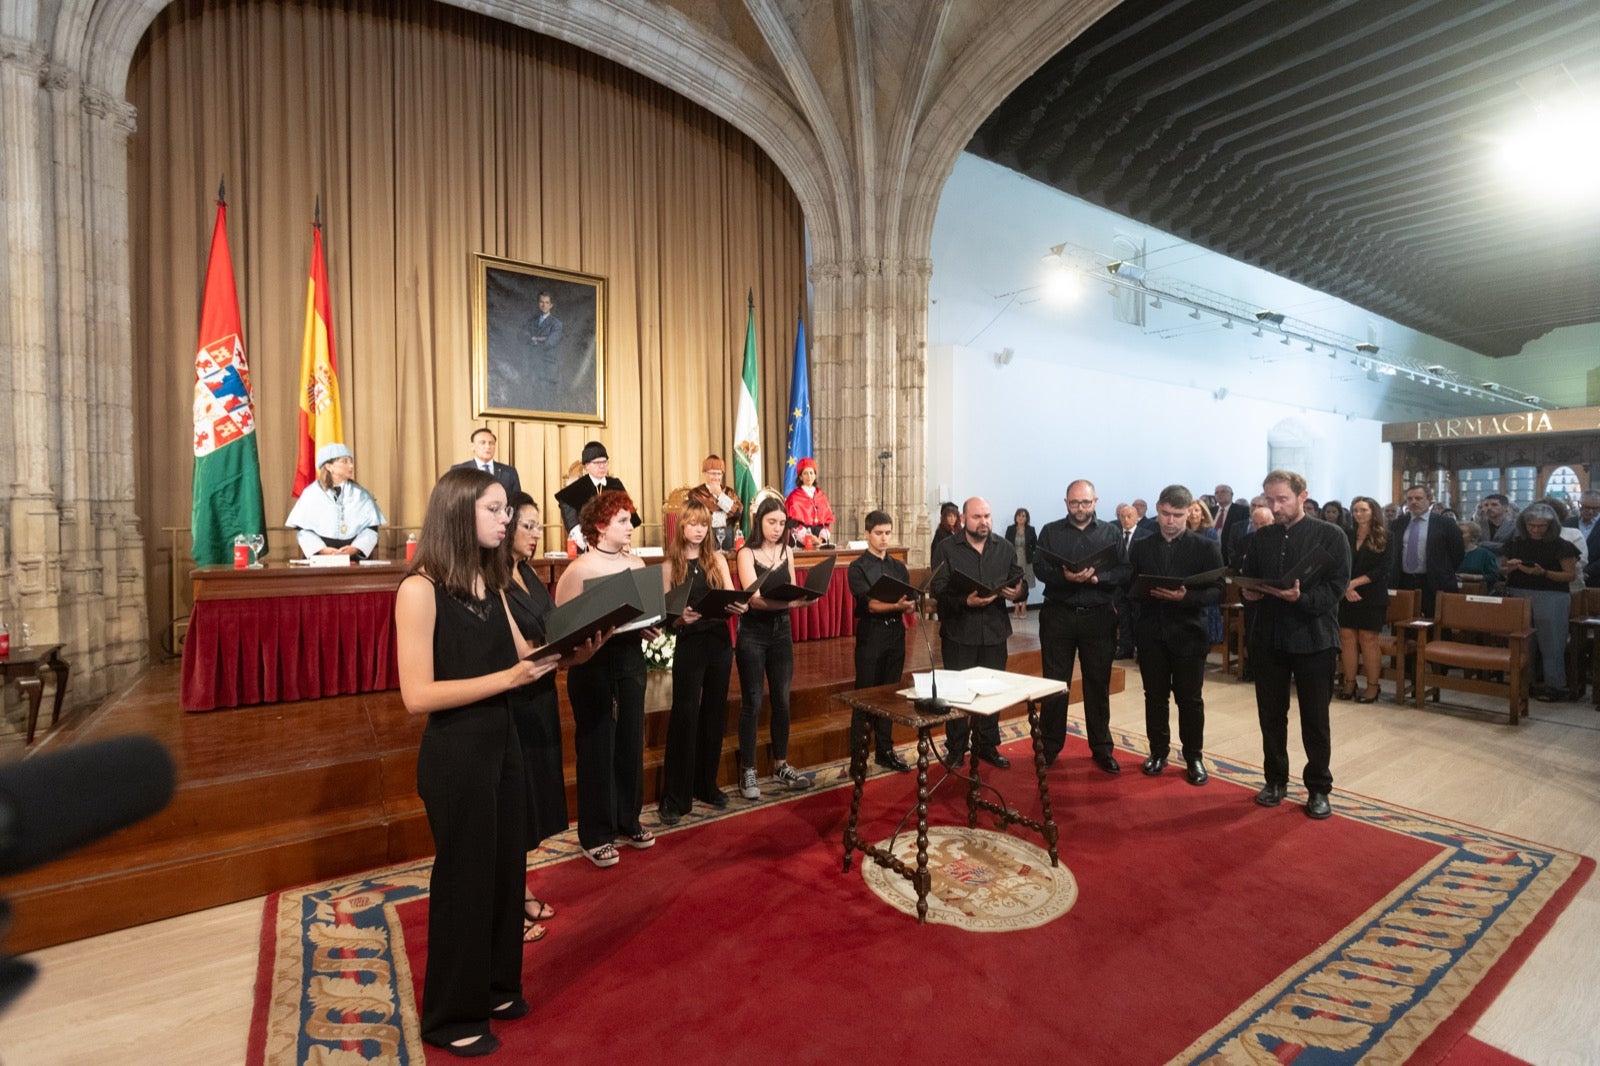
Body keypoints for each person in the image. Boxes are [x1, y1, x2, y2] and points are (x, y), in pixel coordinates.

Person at [394, 468, 561, 1056]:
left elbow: (526, 655)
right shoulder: (420, 589)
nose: (506, 520)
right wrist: (511, 678)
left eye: (505, 511)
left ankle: (494, 988)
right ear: (459, 512)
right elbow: (417, 696)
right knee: (465, 882)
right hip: (457, 752)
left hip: (503, 741)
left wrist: (582, 645)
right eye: (494, 510)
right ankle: (449, 1015)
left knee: (503, 874)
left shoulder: (489, 579)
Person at [1239, 469, 1350, 820]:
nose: (1275, 507)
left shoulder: (1331, 536)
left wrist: (1299, 598)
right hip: (1269, 636)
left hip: (1314, 637)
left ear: (1303, 496)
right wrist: (1248, 593)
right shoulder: (1262, 537)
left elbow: (1336, 588)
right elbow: (1250, 580)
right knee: (1271, 715)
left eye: (1282, 499)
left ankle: (1318, 788)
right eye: (1269, 500)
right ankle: (1275, 780)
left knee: (1314, 718)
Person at [500, 492, 586, 943]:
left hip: (541, 699)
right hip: (513, 703)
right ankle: (507, 903)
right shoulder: (491, 578)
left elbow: (553, 630)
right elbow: (519, 653)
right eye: (528, 526)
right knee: (514, 809)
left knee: (532, 804)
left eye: (537, 527)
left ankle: (522, 888)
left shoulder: (530, 575)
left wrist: (583, 643)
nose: (535, 534)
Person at [554, 490, 656, 867]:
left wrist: (647, 626)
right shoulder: (579, 570)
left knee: (630, 742)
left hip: (630, 661)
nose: (631, 527)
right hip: (592, 665)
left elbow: (643, 614)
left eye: (629, 519)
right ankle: (595, 833)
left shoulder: (638, 564)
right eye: (623, 520)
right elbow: (560, 628)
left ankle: (628, 820)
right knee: (597, 747)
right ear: (600, 526)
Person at [1129, 485, 1225, 785]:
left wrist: (1185, 597)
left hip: (1188, 633)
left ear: (1189, 513)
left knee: (1190, 699)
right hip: (1151, 632)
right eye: (1165, 514)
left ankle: (1194, 756)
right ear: (1157, 509)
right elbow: (1130, 585)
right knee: (1154, 697)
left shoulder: (1205, 547)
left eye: (1178, 515)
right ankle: (1158, 752)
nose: (1170, 521)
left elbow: (1218, 590)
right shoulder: (1142, 545)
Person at [657, 498, 745, 824]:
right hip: (690, 645)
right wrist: (680, 620)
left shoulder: (717, 559)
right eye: (692, 523)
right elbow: (667, 618)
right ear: (681, 526)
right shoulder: (670, 566)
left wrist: (739, 606)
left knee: (714, 714)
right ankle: (675, 796)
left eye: (703, 524)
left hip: (720, 643)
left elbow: (730, 593)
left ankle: (706, 784)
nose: (698, 529)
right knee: (684, 717)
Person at [1033, 480, 1126, 772]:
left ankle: (1101, 747)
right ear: (1066, 503)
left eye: (1085, 503)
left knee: (1097, 682)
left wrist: (1099, 579)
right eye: (1074, 503)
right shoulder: (1051, 531)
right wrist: (1066, 578)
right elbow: (1040, 567)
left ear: (1095, 501)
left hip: (1098, 615)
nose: (1080, 509)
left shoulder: (1111, 533)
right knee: (1054, 683)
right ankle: (1050, 746)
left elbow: (1124, 569)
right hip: (1058, 614)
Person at [930, 497, 1025, 768]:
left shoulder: (1004, 547)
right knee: (959, 694)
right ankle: (957, 749)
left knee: (991, 693)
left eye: (987, 516)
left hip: (994, 632)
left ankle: (987, 746)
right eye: (977, 517)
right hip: (960, 631)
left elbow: (1019, 579)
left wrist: (1019, 592)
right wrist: (964, 601)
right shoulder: (947, 548)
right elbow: (938, 588)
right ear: (963, 518)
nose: (984, 522)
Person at [735, 496, 819, 798]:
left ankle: (780, 763)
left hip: (781, 632)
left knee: (782, 700)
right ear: (759, 521)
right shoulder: (746, 552)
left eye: (782, 523)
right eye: (772, 522)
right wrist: (793, 602)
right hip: (753, 634)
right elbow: (754, 598)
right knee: (753, 702)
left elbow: (792, 587)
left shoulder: (786, 550)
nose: (777, 528)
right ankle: (748, 769)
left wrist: (803, 598)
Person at [847, 510, 916, 772]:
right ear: (867, 534)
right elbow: (872, 606)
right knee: (864, 696)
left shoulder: (898, 567)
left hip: (895, 634)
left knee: (889, 696)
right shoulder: (858, 567)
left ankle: (885, 751)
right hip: (871, 635)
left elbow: (907, 601)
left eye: (888, 533)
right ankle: (858, 757)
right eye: (878, 533)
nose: (884, 538)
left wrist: (908, 606)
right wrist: (897, 605)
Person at [1500, 503, 1579, 702]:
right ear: (1523, 524)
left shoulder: (1563, 546)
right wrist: (1509, 567)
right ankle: (1525, 683)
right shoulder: (1515, 543)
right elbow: (1501, 570)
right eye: (1531, 525)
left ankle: (1554, 686)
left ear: (1551, 525)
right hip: (1518, 592)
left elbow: (1569, 576)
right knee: (1523, 642)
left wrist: (1543, 572)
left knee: (1551, 643)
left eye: (1541, 526)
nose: (1535, 530)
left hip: (1552, 596)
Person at [285, 443, 385, 559]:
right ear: (328, 466)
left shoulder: (361, 494)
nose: (351, 466)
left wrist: (355, 548)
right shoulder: (311, 494)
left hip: (353, 558)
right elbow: (303, 531)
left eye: (351, 461)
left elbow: (371, 529)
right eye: (345, 461)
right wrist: (321, 549)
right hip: (318, 559)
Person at [1337, 496, 1389, 703]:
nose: (1359, 514)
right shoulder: (1345, 534)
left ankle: (1373, 686)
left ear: (1373, 512)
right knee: (1347, 638)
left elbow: (1384, 568)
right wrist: (1346, 586)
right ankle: (1349, 682)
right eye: (1355, 510)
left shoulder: (1386, 536)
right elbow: (1338, 563)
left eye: (1363, 510)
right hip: (1346, 593)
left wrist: (1354, 583)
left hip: (1372, 594)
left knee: (1368, 640)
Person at [1390, 483, 1464, 619]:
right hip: (1404, 581)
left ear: (1429, 500)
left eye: (1418, 498)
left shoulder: (1445, 524)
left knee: (1435, 623)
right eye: (1409, 499)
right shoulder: (1398, 524)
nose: (1413, 502)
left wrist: (1442, 570)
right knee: (1403, 623)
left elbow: (1457, 553)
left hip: (1434, 581)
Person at [553, 441, 640, 549]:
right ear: (586, 466)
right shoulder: (577, 487)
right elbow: (566, 506)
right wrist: (580, 537)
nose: (602, 466)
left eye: (605, 462)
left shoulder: (615, 484)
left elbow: (629, 513)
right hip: (587, 543)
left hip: (615, 543)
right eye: (597, 463)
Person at [1112, 503, 1151, 658]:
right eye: (1122, 516)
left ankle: (1141, 649)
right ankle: (1125, 647)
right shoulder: (1115, 534)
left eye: (1129, 516)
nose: (1126, 520)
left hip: (1137, 583)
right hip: (1120, 584)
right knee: (1123, 617)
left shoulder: (1145, 534)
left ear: (1136, 517)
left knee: (1138, 617)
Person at [1186, 499, 1225, 646]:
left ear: (1203, 514)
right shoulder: (1183, 532)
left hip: (1205, 580)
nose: (1192, 514)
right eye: (1189, 510)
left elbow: (1213, 558)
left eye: (1196, 510)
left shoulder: (1210, 533)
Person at [687, 454, 743, 551]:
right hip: (705, 534)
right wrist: (726, 510)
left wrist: (720, 495)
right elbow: (699, 516)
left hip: (727, 534)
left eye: (719, 473)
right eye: (712, 473)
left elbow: (737, 513)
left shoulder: (729, 492)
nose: (716, 477)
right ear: (705, 473)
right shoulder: (695, 493)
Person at [451, 428, 521, 497]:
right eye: (483, 443)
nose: (488, 447)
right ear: (472, 446)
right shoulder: (459, 470)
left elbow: (517, 500)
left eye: (491, 443)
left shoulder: (509, 472)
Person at [784, 457, 835, 545]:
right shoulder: (794, 496)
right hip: (800, 540)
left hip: (819, 539)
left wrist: (822, 538)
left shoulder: (821, 495)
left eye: (811, 473)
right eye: (805, 473)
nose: (809, 476)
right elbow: (792, 523)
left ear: (815, 475)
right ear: (800, 477)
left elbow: (826, 523)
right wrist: (808, 538)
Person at [1009, 508, 1037, 618]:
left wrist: (1032, 554)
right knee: (1015, 584)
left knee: (1026, 584)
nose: (1021, 518)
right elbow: (1007, 545)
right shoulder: (1010, 529)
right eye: (1019, 515)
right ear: (1016, 517)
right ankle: (1016, 608)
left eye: (1024, 516)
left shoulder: (1031, 529)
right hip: (1014, 561)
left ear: (1027, 518)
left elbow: (1035, 545)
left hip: (1027, 560)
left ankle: (1024, 607)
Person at [1457, 522, 1501, 591]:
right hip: (1453, 590)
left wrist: (1471, 577)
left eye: (1462, 532)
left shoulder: (1485, 554)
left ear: (1473, 536)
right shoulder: (1449, 552)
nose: (1457, 535)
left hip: (1477, 591)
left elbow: (1493, 576)